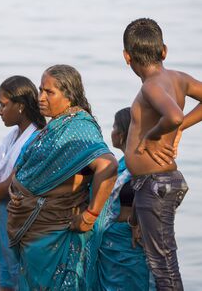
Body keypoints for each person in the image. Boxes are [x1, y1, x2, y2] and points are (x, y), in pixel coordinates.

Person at [6, 64, 118, 290]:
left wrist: (90, 215)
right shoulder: (55, 126)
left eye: (49, 92)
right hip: (34, 234)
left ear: (69, 95)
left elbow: (108, 165)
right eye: (40, 90)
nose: (41, 97)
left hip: (57, 234)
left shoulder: (79, 128)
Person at [123, 18, 202, 290]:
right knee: (162, 262)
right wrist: (180, 129)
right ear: (164, 51)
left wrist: (152, 135)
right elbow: (177, 118)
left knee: (164, 267)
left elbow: (174, 115)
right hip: (155, 184)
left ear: (127, 57)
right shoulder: (177, 78)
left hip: (156, 184)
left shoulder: (152, 85)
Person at [0, 76, 46, 291]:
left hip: (18, 220)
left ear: (20, 106)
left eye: (3, 105)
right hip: (2, 219)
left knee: (15, 277)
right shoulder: (11, 136)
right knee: (5, 277)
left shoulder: (35, 138)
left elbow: (11, 184)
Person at [88, 107, 153, 291]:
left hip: (128, 241)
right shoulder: (124, 163)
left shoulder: (142, 163)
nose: (112, 131)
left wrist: (135, 222)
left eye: (115, 126)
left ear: (124, 133)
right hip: (112, 241)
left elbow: (149, 195)